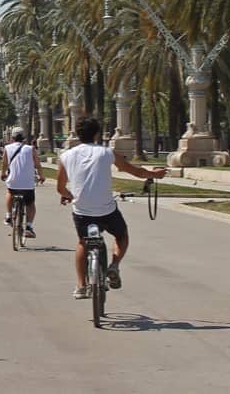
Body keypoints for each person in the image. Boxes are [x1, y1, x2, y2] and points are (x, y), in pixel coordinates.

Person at [56, 116, 167, 299]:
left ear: (77, 134)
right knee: (121, 235)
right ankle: (114, 266)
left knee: (83, 242)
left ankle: (81, 285)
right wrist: (154, 174)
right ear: (97, 134)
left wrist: (67, 196)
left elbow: (60, 188)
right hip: (106, 210)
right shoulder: (107, 153)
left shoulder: (66, 156)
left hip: (82, 211)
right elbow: (134, 171)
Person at [0, 128, 44, 238]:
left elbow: (4, 164)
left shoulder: (7, 148)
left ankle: (9, 215)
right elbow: (38, 165)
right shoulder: (31, 149)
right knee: (30, 204)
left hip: (13, 181)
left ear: (12, 138)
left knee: (10, 192)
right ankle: (29, 227)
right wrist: (41, 176)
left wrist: (3, 174)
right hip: (28, 183)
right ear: (24, 138)